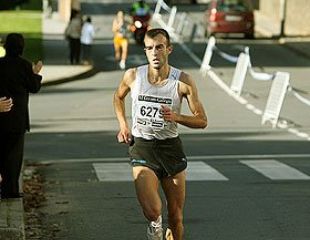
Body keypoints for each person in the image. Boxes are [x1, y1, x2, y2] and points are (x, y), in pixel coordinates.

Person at [113, 28, 208, 240]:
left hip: (170, 148)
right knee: (153, 210)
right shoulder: (133, 76)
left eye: (159, 47)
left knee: (175, 217)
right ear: (145, 51)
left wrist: (177, 117)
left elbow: (202, 120)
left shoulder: (183, 81)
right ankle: (154, 226)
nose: (154, 53)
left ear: (168, 49)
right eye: (149, 48)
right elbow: (118, 97)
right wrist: (123, 125)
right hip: (143, 147)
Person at [0, 33, 43, 199]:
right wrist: (36, 73)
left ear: (5, 46)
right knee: (14, 156)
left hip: (1, 116)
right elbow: (33, 87)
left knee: (2, 153)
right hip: (17, 118)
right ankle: (10, 189)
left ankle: (3, 186)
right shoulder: (24, 65)